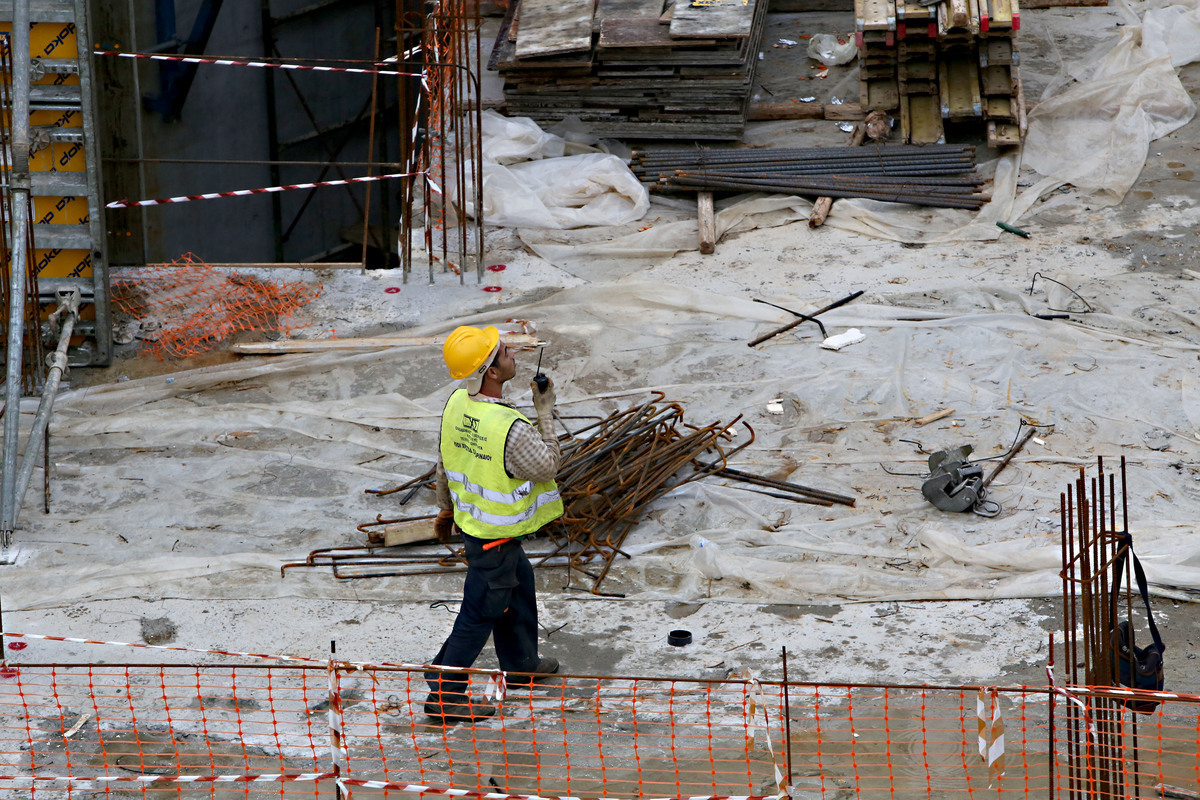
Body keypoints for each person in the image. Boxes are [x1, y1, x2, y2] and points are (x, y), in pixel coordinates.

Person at [424, 325, 564, 723]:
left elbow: (445, 462)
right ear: (492, 372)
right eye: (505, 352)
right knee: (481, 609)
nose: (512, 355)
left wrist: (445, 510)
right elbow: (549, 465)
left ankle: (520, 664)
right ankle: (444, 691)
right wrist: (544, 412)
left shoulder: (456, 405)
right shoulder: (512, 428)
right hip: (494, 537)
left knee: (518, 584)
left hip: (476, 526)